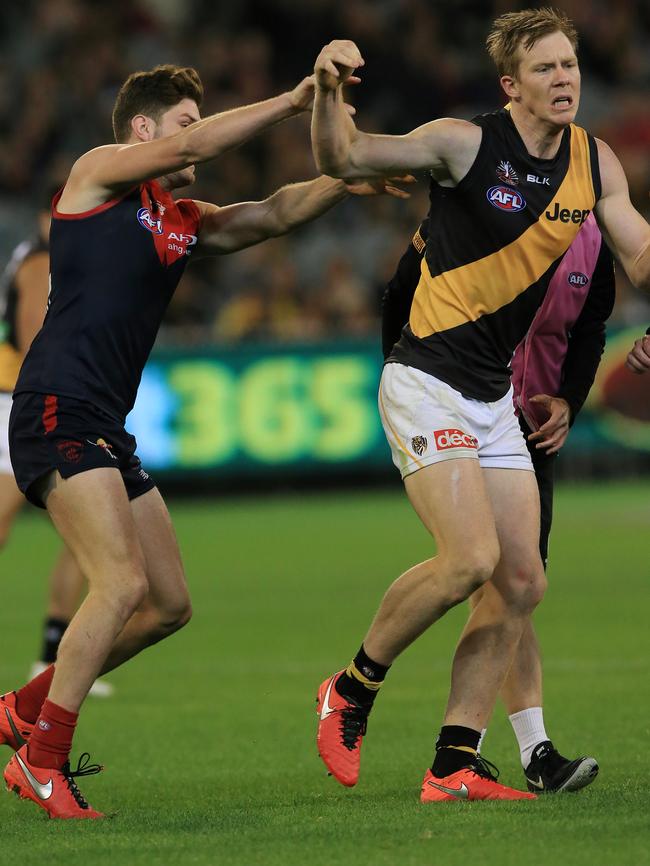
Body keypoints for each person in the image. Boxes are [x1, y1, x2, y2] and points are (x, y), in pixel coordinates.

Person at [0, 63, 408, 820]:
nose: (195, 135)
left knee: (167, 605)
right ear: (146, 130)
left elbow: (270, 214)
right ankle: (42, 760)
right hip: (56, 406)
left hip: (105, 423)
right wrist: (293, 101)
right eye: (186, 122)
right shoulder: (98, 175)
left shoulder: (179, 218)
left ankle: (26, 709)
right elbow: (212, 146)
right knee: (118, 586)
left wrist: (345, 179)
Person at [311, 8, 650, 802]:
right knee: (469, 561)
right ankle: (351, 687)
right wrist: (328, 90)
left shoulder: (595, 162)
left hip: (493, 391)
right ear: (512, 86)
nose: (565, 79)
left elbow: (634, 244)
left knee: (521, 583)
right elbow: (346, 156)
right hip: (426, 378)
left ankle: (454, 762)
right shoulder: (464, 144)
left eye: (569, 66)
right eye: (546, 69)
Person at [382, 210, 614, 791]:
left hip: (529, 427)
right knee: (484, 571)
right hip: (462, 406)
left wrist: (569, 400)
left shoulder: (593, 242)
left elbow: (588, 328)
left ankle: (480, 758)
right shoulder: (480, 206)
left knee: (520, 584)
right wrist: (408, 380)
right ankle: (511, 751)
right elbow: (402, 291)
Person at [0, 193, 113, 698]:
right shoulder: (41, 260)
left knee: (92, 533)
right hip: (19, 400)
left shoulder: (53, 258)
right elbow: (29, 340)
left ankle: (53, 654)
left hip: (35, 400)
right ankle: (51, 657)